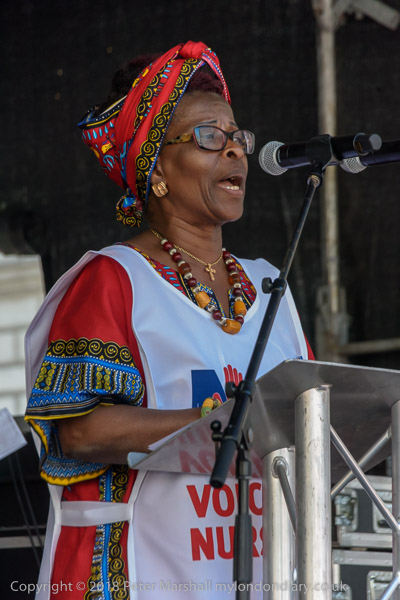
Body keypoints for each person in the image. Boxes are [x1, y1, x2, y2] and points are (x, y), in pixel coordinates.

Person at [25, 41, 313, 600]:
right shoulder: (114, 279)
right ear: (156, 165)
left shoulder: (270, 285)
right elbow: (78, 430)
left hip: (262, 573)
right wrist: (218, 424)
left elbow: (307, 422)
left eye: (237, 136)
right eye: (209, 136)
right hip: (142, 574)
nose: (235, 150)